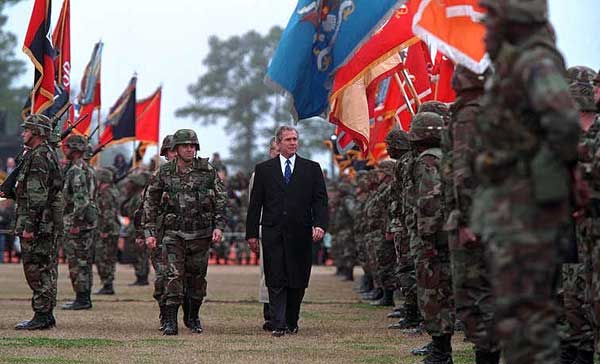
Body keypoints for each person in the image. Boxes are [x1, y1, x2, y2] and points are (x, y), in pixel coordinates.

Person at [474, 0, 580, 362]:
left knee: (530, 318)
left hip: (530, 214)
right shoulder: (515, 64)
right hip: (514, 211)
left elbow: (565, 123)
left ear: (514, 19)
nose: (486, 24)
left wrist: (542, 174)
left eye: (493, 16)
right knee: (516, 317)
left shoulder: (535, 61)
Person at [246, 126, 328, 337]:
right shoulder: (264, 169)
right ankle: (278, 323)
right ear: (279, 143)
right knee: (275, 277)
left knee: (297, 279)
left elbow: (320, 201)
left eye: (295, 139)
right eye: (288, 139)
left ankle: (292, 320)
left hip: (301, 233)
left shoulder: (311, 168)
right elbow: (255, 205)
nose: (293, 143)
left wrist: (320, 225)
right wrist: (252, 234)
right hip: (273, 233)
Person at [144, 129, 227, 335]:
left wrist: (219, 226)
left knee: (197, 278)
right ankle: (170, 321)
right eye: (185, 146)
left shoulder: (207, 170)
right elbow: (150, 201)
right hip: (173, 234)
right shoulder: (164, 172)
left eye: (193, 146)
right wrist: (149, 231)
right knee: (173, 275)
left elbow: (221, 200)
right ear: (176, 149)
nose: (190, 149)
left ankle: (192, 317)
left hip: (201, 234)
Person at [0, 114, 63, 329]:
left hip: (37, 224)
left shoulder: (39, 157)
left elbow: (37, 196)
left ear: (36, 132)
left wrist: (29, 226)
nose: (23, 133)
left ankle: (42, 315)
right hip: (43, 223)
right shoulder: (43, 154)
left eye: (26, 130)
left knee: (37, 268)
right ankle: (46, 313)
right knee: (45, 267)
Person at [61, 135, 98, 311]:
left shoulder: (76, 170)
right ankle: (83, 297)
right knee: (84, 262)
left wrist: (75, 222)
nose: (63, 149)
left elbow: (81, 200)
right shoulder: (87, 168)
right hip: (87, 223)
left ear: (73, 149)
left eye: (66, 146)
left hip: (78, 224)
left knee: (77, 262)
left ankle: (82, 299)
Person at [248, 137, 279, 331]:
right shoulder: (259, 174)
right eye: (274, 150)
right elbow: (254, 205)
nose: (277, 153)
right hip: (265, 227)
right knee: (267, 273)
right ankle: (270, 312)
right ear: (270, 151)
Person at [94, 168, 121, 295]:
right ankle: (107, 284)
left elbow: (107, 213)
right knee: (109, 257)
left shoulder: (106, 193)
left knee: (103, 257)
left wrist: (104, 229)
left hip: (107, 230)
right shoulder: (113, 191)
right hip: (113, 228)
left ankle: (107, 285)